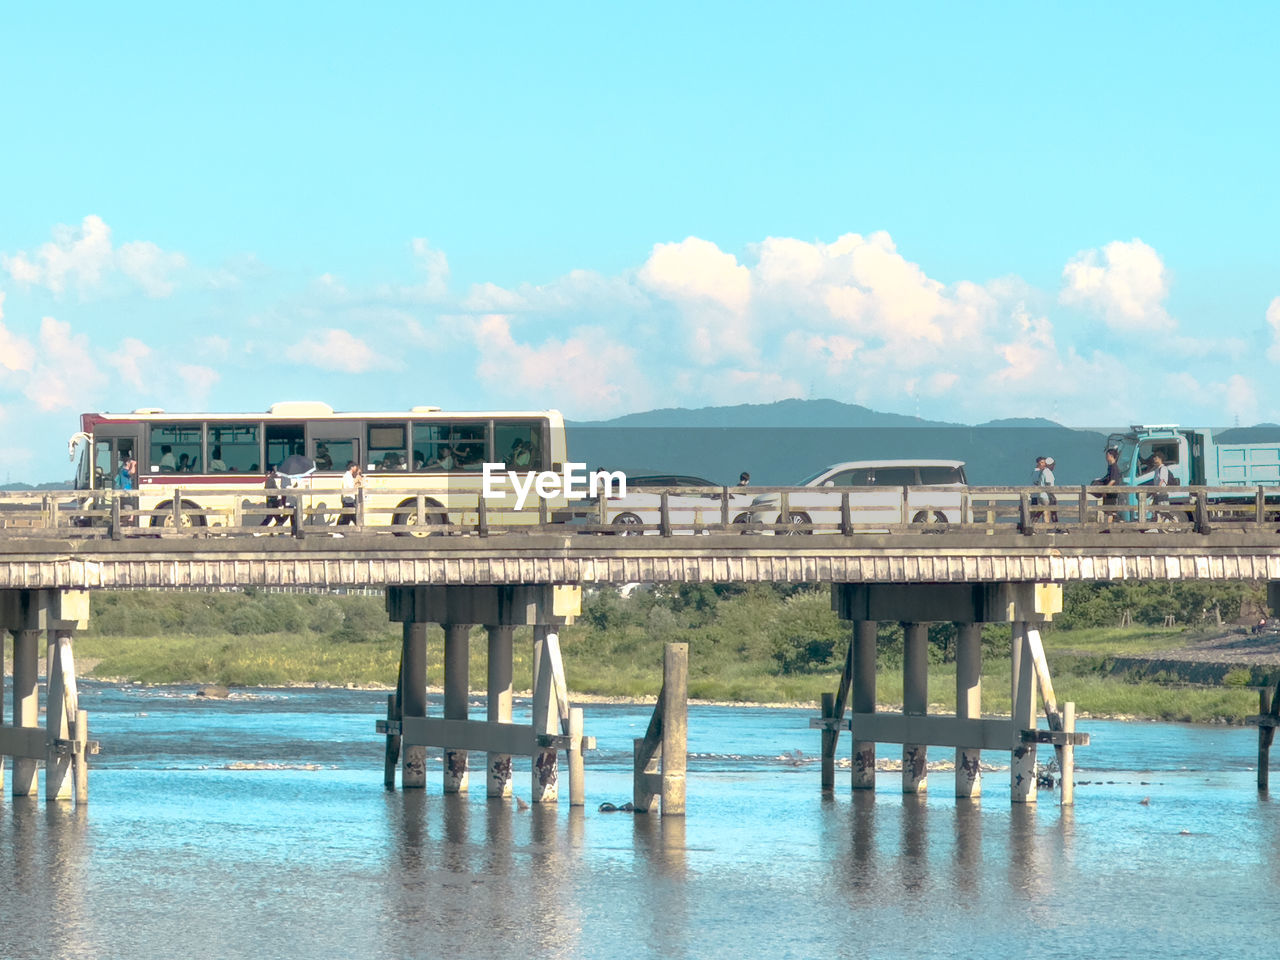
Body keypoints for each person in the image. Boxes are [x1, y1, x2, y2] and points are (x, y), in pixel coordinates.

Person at [115, 456, 138, 526]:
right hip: (125, 493)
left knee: (131, 513)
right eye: (129, 462)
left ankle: (127, 526)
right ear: (127, 463)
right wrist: (133, 464)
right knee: (129, 511)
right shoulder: (124, 471)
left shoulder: (122, 471)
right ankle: (119, 524)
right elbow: (132, 472)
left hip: (128, 493)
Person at [340, 461, 362, 525]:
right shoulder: (347, 476)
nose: (356, 468)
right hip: (348, 499)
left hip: (349, 499)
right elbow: (351, 487)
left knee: (347, 517)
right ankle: (338, 530)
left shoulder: (349, 476)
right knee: (347, 516)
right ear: (352, 467)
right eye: (355, 467)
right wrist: (357, 481)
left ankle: (339, 530)